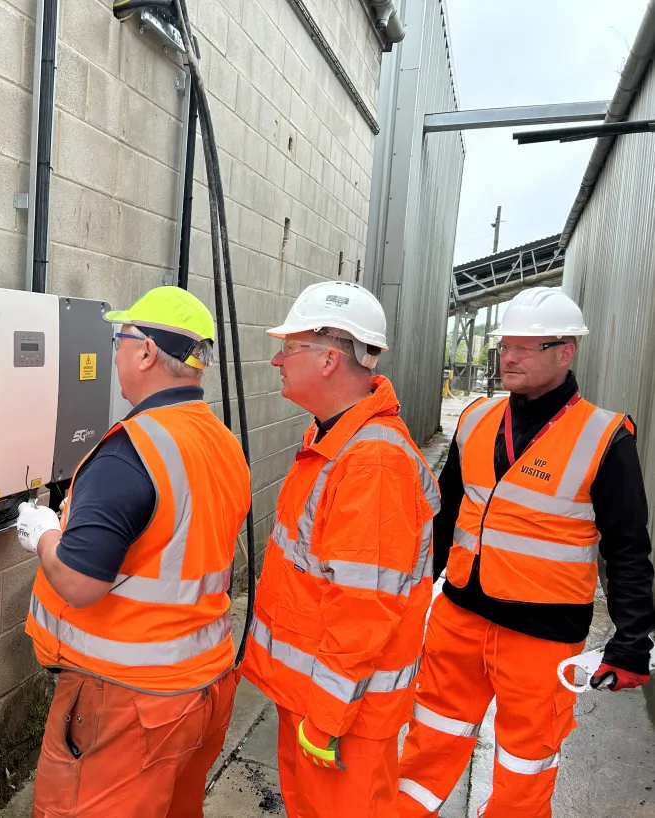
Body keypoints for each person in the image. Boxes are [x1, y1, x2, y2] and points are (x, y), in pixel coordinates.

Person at [397, 287, 655, 818]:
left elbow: (628, 549)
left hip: (542, 638)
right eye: (504, 346)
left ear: (566, 352)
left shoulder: (605, 438)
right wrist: (414, 589)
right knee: (429, 739)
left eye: (525, 347)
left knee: (524, 762)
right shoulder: (476, 420)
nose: (507, 357)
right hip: (459, 617)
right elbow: (445, 518)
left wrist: (633, 641)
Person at [17, 285, 252, 818]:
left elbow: (79, 582)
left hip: (126, 706)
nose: (114, 352)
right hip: (203, 690)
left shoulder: (130, 452)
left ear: (146, 352)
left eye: (120, 339)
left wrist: (43, 535)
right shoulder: (220, 441)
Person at [240, 280, 441, 817]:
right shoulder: (336, 442)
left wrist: (326, 718)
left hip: (341, 717)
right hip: (316, 703)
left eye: (291, 347)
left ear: (329, 359)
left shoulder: (372, 462)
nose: (277, 358)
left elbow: (363, 606)